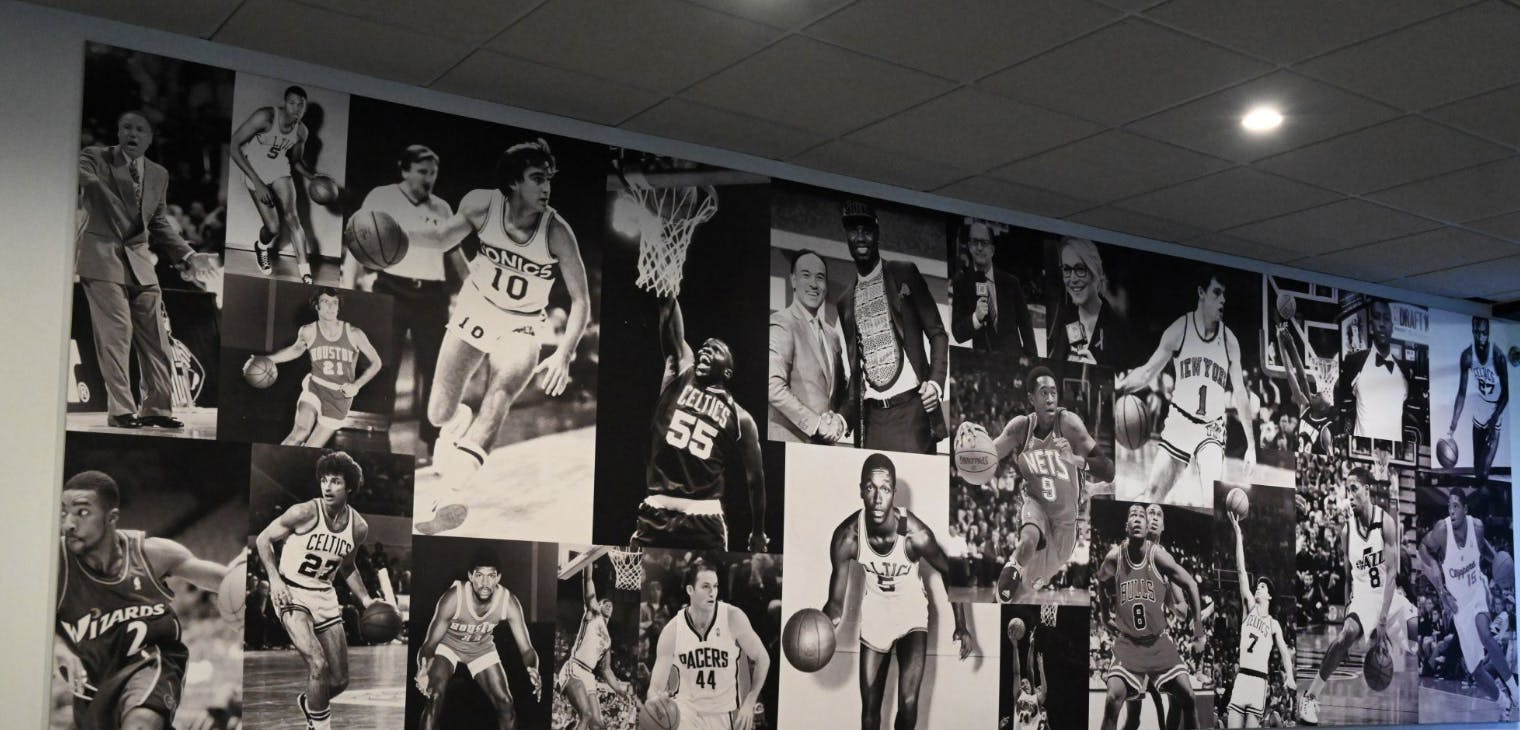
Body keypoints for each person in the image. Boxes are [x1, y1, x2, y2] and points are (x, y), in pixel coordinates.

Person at [408, 139, 592, 524]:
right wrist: (397, 235)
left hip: (522, 323)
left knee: (499, 395)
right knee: (438, 413)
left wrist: (564, 354)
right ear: (513, 182)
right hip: (475, 308)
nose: (546, 187)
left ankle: (450, 494)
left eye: (549, 179)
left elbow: (581, 300)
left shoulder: (557, 231)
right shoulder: (481, 205)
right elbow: (442, 239)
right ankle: (456, 423)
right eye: (537, 178)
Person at [54, 470, 234, 729]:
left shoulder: (153, 554)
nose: (69, 524)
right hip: (93, 686)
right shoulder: (55, 562)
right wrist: (59, 648)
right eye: (64, 513)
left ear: (111, 517)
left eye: (82, 512)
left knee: (141, 723)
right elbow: (27, 615)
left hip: (152, 663)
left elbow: (226, 581)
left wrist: (247, 575)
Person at [76, 110, 217, 430]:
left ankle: (156, 409)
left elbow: (159, 222)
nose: (132, 134)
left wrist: (189, 255)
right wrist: (128, 203)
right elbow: (91, 187)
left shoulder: (158, 173)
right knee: (117, 333)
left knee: (157, 338)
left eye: (140, 129)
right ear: (117, 131)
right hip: (102, 257)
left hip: (140, 262)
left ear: (150, 138)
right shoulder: (95, 157)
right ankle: (121, 410)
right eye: (126, 127)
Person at [821, 453, 974, 730]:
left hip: (910, 611)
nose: (878, 498)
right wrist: (824, 625)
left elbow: (949, 571)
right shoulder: (848, 537)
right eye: (871, 488)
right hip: (875, 614)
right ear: (861, 490)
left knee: (908, 703)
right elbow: (835, 603)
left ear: (894, 492)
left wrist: (961, 624)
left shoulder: (914, 534)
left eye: (885, 489)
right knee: (870, 711)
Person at [341, 144, 464, 463]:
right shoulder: (381, 197)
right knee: (383, 369)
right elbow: (357, 244)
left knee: (436, 372)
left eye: (433, 173)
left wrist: (475, 288)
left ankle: (435, 444)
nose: (429, 179)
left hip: (432, 296)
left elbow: (456, 253)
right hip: (391, 289)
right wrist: (348, 293)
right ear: (405, 170)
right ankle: (375, 444)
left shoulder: (443, 207)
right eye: (422, 172)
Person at [254, 451, 387, 730]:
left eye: (335, 481)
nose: (327, 487)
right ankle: (319, 726)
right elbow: (263, 539)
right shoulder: (303, 512)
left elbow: (348, 567)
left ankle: (310, 704)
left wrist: (366, 600)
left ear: (349, 487)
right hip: (291, 592)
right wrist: (275, 580)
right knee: (318, 663)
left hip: (325, 596)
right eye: (324, 480)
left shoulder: (358, 527)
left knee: (339, 681)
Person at [962, 365, 1113, 602]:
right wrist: (969, 448)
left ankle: (1001, 600)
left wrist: (1075, 459)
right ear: (1031, 398)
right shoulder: (1021, 427)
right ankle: (1013, 566)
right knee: (1028, 540)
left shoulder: (1069, 424)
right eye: (1044, 393)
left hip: (1065, 525)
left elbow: (1108, 470)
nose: (1050, 399)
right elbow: (986, 459)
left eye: (1054, 392)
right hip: (1035, 504)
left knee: (1023, 591)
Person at [632, 295, 768, 552]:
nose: (705, 350)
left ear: (727, 371)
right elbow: (672, 327)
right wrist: (668, 292)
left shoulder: (741, 418)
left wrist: (758, 532)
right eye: (703, 347)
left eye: (715, 350)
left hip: (703, 516)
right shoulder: (682, 371)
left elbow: (756, 480)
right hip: (657, 507)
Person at [1117, 271, 1255, 504]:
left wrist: (1251, 446)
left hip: (1212, 428)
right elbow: (1148, 372)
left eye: (1225, 295)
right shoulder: (1180, 329)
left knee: (1212, 501)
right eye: (1217, 293)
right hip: (1181, 421)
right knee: (1152, 495)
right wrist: (1119, 387)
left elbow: (1240, 393)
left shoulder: (1229, 340)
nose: (1223, 300)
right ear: (1201, 293)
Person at [1298, 467, 1416, 725]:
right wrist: (1348, 619)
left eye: (1354, 489)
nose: (1349, 496)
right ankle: (1310, 696)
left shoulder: (1386, 522)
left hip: (1387, 592)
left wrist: (1382, 619)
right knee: (1346, 636)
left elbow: (1392, 574)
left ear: (1367, 489)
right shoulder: (1346, 533)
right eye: (1347, 490)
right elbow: (1349, 579)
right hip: (1362, 595)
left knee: (1417, 627)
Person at [836, 200, 948, 454]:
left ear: (877, 233)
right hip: (872, 421)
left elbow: (938, 333)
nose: (860, 237)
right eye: (853, 230)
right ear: (846, 236)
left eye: (866, 230)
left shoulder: (903, 273)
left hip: (912, 411)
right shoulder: (845, 301)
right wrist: (842, 417)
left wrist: (935, 383)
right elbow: (857, 373)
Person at [1094, 503, 1206, 730]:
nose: (1140, 518)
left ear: (1152, 527)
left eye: (1145, 516)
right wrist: (1105, 614)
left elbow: (1185, 602)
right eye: (1134, 515)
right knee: (1117, 704)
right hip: (1129, 645)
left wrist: (1197, 631)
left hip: (1157, 643)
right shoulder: (1116, 556)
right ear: (1126, 526)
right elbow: (1100, 579)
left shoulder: (1161, 557)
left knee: (1186, 697)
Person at [414, 545, 543, 730]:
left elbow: (527, 649)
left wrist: (533, 668)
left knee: (506, 703)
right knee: (433, 697)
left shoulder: (509, 602)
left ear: (498, 578)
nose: (484, 583)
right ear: (470, 576)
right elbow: (429, 644)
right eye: (479, 575)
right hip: (448, 646)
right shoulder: (453, 598)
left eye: (491, 576)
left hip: (481, 647)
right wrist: (423, 668)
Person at [1416, 489, 1518, 717]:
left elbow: (1487, 551)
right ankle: (1504, 702)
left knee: (1485, 634)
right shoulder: (1442, 531)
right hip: (1458, 606)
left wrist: (1501, 566)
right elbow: (1423, 548)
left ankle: (1515, 691)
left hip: (1477, 592)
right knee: (1475, 670)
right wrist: (1441, 589)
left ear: (1465, 508)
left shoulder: (1477, 527)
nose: (1451, 511)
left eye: (1456, 506)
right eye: (1449, 507)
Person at [647, 561, 771, 730]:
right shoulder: (673, 630)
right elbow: (654, 689)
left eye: (715, 586)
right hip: (686, 714)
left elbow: (762, 658)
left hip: (723, 713)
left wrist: (749, 702)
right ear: (690, 590)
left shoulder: (732, 617)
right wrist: (657, 708)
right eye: (705, 587)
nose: (712, 592)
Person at [253, 287, 383, 447]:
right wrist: (267, 359)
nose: (330, 306)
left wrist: (357, 385)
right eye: (325, 301)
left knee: (311, 448)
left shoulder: (354, 333)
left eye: (334, 303)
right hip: (315, 387)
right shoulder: (308, 331)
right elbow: (295, 350)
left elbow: (376, 362)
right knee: (299, 433)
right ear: (317, 306)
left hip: (339, 397)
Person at [229, 85, 332, 283]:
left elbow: (296, 161)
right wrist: (258, 183)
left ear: (305, 107)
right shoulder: (265, 116)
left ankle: (305, 273)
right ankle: (261, 246)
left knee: (294, 219)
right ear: (285, 103)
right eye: (292, 103)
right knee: (274, 228)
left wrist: (312, 177)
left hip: (279, 169)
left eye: (300, 104)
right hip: (255, 169)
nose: (296, 108)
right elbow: (234, 145)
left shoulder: (301, 131)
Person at [1224, 514, 1295, 727]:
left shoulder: (1274, 624)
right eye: (1258, 586)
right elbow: (1241, 571)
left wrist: (1290, 676)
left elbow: (1284, 652)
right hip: (1242, 678)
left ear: (1269, 596)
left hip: (1259, 682)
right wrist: (1238, 535)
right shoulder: (1249, 608)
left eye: (1262, 587)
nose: (1258, 588)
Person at [768, 249, 846, 444]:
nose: (813, 284)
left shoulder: (832, 336)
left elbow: (839, 392)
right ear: (793, 280)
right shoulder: (782, 322)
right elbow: (772, 386)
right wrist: (816, 424)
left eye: (820, 277)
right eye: (806, 275)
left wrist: (839, 421)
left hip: (823, 448)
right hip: (789, 443)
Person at [556, 562, 633, 730]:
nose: (609, 605)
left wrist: (620, 691)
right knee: (586, 715)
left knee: (598, 725)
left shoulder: (608, 640)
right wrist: (589, 560)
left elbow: (606, 670)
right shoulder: (592, 614)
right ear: (598, 604)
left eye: (611, 605)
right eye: (605, 602)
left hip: (589, 675)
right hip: (575, 668)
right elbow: (588, 580)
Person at [950, 221, 1036, 354]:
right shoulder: (961, 284)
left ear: (992, 249)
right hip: (982, 361)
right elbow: (958, 334)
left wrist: (1031, 357)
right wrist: (976, 318)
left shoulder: (1011, 283)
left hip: (1012, 358)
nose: (979, 248)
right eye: (975, 242)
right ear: (969, 246)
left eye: (984, 243)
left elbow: (1025, 324)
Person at [1335, 298, 1408, 444]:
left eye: (1386, 319)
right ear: (1370, 325)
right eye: (1377, 317)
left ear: (1392, 326)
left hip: (1393, 450)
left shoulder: (1404, 369)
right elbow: (1338, 393)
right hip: (1361, 448)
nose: (1381, 324)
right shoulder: (1355, 361)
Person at [1046, 237, 1127, 368]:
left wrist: (1096, 370)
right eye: (1067, 269)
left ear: (1096, 271)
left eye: (1080, 269)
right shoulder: (1065, 318)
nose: (1073, 279)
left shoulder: (1117, 327)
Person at [1446, 316, 1508, 482]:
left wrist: (1495, 417)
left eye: (1485, 333)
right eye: (1478, 333)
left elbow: (1507, 392)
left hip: (1495, 412)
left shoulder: (1498, 356)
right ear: (1473, 331)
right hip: (1479, 413)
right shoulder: (1467, 356)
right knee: (1477, 470)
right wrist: (1453, 424)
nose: (1481, 338)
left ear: (1489, 333)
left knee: (1484, 472)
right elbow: (1462, 392)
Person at [1273, 322, 1334, 454]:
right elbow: (1296, 375)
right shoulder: (1305, 408)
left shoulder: (1325, 430)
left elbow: (1331, 456)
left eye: (1317, 396)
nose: (1313, 394)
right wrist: (1287, 342)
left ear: (1322, 407)